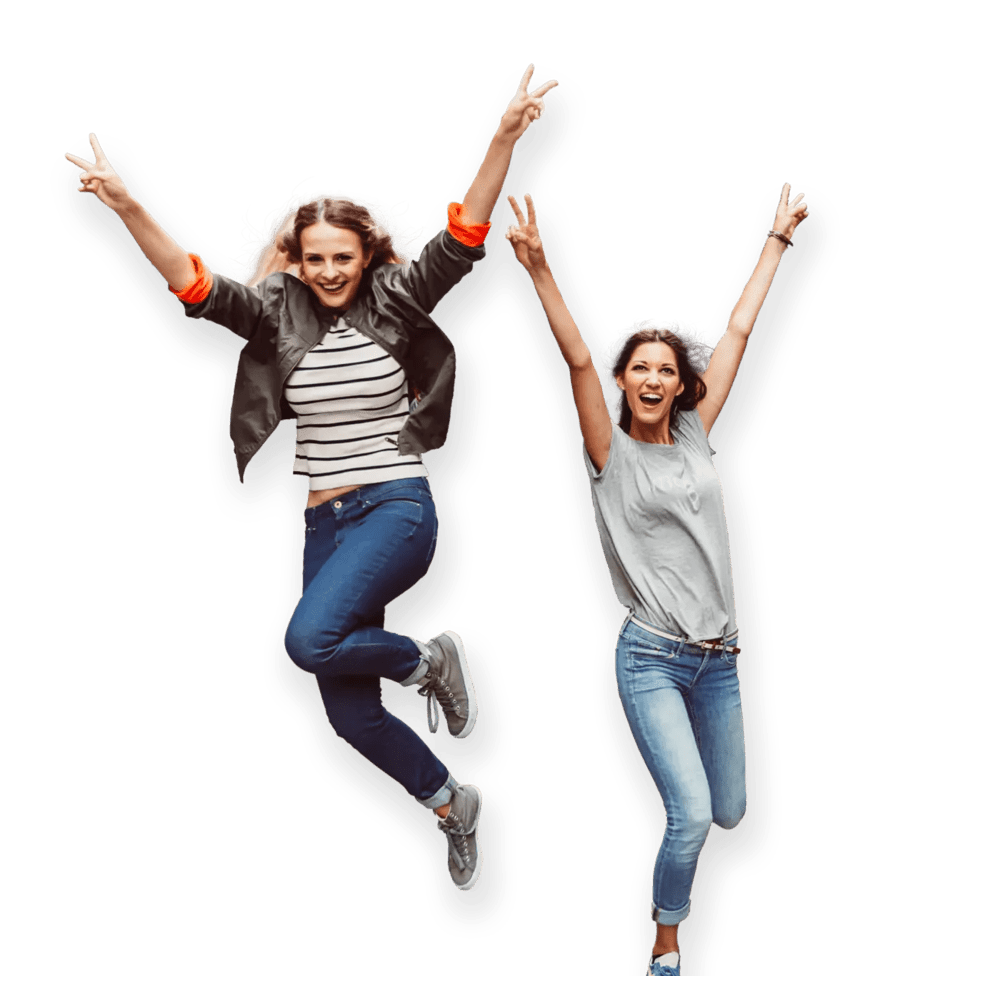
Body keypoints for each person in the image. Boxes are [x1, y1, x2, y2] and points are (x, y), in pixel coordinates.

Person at [64, 65, 559, 893]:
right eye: (316, 258)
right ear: (294, 259)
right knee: (344, 709)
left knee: (304, 641)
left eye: (345, 258)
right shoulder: (270, 312)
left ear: (369, 256)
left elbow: (468, 231)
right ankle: (452, 804)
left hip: (398, 507)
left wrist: (506, 135)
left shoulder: (402, 297)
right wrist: (125, 207)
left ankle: (432, 659)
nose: (331, 271)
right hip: (323, 523)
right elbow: (188, 279)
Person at [503, 187, 809, 970]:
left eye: (664, 370)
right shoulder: (608, 452)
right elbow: (574, 355)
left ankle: (679, 892)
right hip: (651, 658)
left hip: (722, 662)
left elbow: (741, 327)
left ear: (681, 386)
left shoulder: (700, 437)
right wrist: (540, 268)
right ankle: (665, 947)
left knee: (733, 814)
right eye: (637, 367)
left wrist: (774, 242)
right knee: (692, 813)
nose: (650, 377)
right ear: (622, 381)